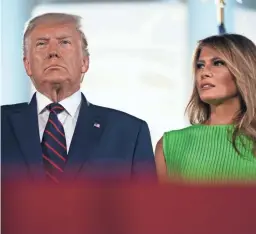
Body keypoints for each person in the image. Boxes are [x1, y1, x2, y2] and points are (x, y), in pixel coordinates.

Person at [1, 13, 156, 182]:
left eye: (64, 42)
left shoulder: (129, 132)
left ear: (84, 62)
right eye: (41, 44)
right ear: (27, 65)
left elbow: (145, 207)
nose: (53, 52)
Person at [155, 33, 256, 183]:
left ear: (244, 70)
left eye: (218, 63)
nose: (204, 72)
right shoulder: (170, 144)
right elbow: (161, 205)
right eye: (200, 66)